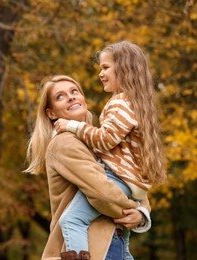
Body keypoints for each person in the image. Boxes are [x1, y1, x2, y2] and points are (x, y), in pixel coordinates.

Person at [54, 41, 165, 259]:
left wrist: (72, 125)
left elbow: (104, 140)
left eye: (105, 67)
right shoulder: (134, 104)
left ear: (124, 69)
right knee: (124, 246)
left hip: (118, 180)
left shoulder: (120, 104)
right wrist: (141, 212)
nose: (100, 74)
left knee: (71, 220)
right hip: (126, 186)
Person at [24, 75, 151, 260]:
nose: (71, 97)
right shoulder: (65, 143)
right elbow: (103, 194)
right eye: (60, 96)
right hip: (92, 247)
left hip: (115, 242)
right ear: (51, 113)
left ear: (83, 99)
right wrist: (136, 211)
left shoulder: (98, 140)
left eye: (74, 91)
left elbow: (131, 180)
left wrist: (141, 212)